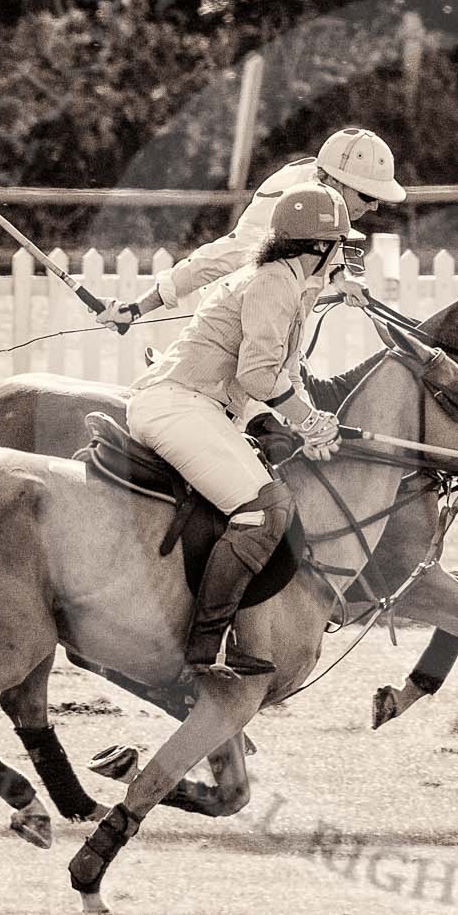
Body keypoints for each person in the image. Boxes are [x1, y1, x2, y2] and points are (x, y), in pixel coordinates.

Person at [122, 182, 366, 677]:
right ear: (318, 247)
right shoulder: (275, 281)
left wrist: (310, 428)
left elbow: (286, 372)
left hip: (202, 409)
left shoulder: (295, 285)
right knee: (264, 509)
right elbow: (256, 375)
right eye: (339, 243)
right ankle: (204, 648)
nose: (343, 253)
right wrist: (307, 419)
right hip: (179, 404)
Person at [95, 127, 407, 328]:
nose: (375, 206)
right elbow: (224, 255)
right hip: (234, 331)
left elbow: (335, 251)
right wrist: (137, 308)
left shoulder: (328, 202)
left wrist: (344, 278)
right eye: (367, 195)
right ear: (331, 180)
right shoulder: (288, 203)